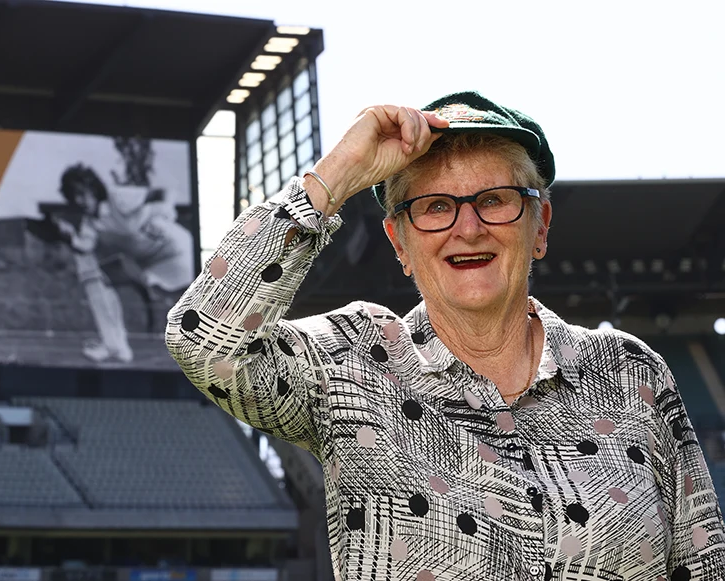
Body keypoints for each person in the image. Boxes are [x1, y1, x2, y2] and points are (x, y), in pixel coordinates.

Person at [166, 91, 725, 580]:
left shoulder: (631, 373)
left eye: (494, 200)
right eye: (435, 206)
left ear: (541, 227)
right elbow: (202, 341)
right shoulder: (350, 363)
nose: (468, 226)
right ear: (400, 243)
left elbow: (704, 564)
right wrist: (335, 174)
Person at [53, 163, 194, 363]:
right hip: (152, 266)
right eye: (73, 196)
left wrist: (166, 214)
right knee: (95, 275)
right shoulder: (90, 224)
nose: (78, 200)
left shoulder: (118, 197)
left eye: (81, 193)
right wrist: (66, 236)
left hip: (178, 251)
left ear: (93, 188)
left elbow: (165, 192)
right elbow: (84, 247)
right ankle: (115, 346)